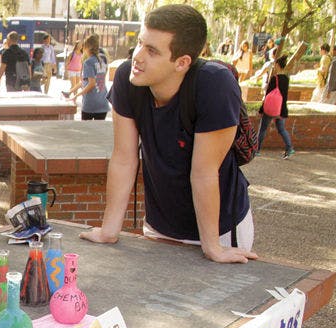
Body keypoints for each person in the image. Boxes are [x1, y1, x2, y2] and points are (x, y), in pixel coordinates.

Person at [80, 4, 258, 264]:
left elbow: (204, 172)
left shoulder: (214, 85)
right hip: (159, 223)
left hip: (218, 229)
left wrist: (213, 248)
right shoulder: (129, 80)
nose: (138, 56)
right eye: (140, 43)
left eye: (152, 51)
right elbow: (124, 158)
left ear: (182, 62)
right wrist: (109, 230)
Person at [257, 55, 294, 159]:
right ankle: (289, 148)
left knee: (263, 129)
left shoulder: (275, 78)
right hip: (281, 108)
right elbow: (284, 95)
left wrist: (261, 109)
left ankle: (257, 149)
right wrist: (283, 110)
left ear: (277, 65)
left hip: (271, 108)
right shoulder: (286, 79)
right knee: (281, 129)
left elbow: (268, 95)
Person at [72, 34, 109, 120]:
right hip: (102, 101)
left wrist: (77, 95)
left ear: (87, 47)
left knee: (86, 130)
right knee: (98, 131)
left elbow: (91, 84)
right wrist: (71, 92)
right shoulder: (102, 60)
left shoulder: (88, 62)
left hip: (91, 102)